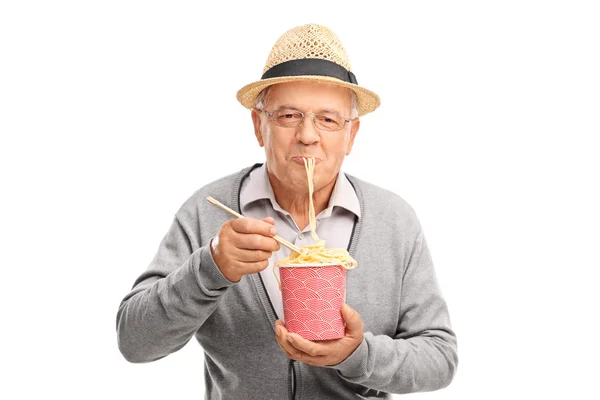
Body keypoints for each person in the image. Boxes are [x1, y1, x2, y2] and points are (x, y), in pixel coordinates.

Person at [116, 23, 457, 399]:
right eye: (288, 116)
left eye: (328, 119)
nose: (308, 135)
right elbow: (135, 342)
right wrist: (211, 266)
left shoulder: (394, 221)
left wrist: (357, 355)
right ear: (259, 126)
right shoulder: (207, 211)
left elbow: (439, 359)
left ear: (351, 135)